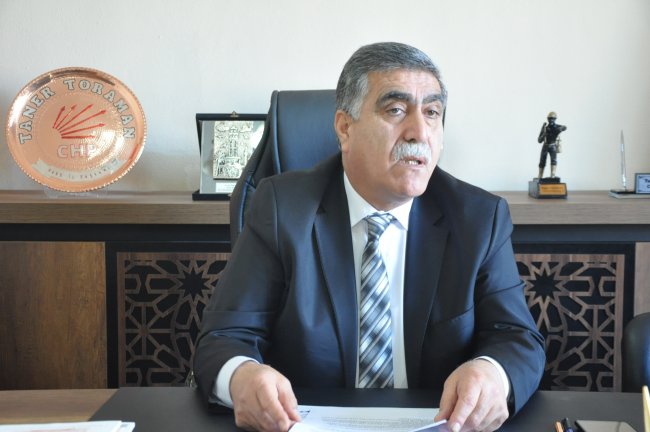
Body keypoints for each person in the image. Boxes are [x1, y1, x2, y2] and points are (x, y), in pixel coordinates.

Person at [194, 42, 545, 432]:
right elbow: (223, 338)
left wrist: (493, 373)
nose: (420, 132)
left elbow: (517, 338)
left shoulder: (477, 218)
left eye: (432, 113)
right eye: (396, 110)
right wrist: (241, 376)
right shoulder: (283, 210)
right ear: (345, 128)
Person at [537, 112, 567, 179]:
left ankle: (553, 174)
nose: (551, 120)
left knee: (553, 161)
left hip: (553, 146)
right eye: (549, 118)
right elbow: (539, 140)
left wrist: (559, 129)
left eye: (553, 118)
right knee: (542, 161)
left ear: (555, 119)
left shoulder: (557, 127)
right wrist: (544, 134)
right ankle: (540, 175)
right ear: (547, 119)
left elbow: (565, 127)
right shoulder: (545, 128)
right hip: (545, 146)